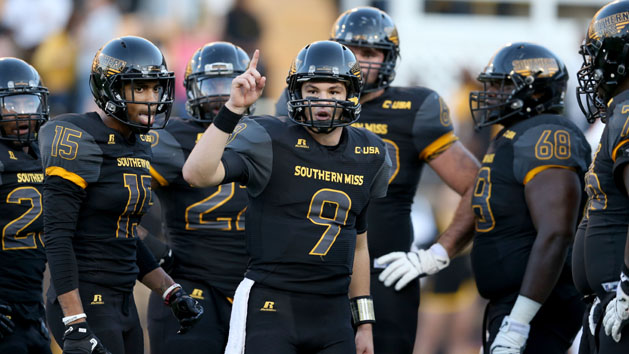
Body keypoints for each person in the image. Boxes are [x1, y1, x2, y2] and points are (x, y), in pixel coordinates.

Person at [275, 7, 480, 353]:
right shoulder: (303, 101)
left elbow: (478, 185)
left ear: (389, 58)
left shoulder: (416, 107)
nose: (359, 61)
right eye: (351, 51)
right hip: (308, 272)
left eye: (370, 53)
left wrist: (437, 254)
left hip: (384, 272)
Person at [183, 40, 391, 354]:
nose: (323, 100)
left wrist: (364, 323)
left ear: (351, 93)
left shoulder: (371, 152)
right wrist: (233, 109)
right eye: (313, 91)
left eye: (334, 91)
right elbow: (196, 174)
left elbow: (359, 243)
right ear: (297, 93)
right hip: (271, 304)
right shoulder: (268, 137)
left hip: (332, 313)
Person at [40, 36, 203, 354]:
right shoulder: (79, 137)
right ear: (110, 88)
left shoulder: (139, 145)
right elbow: (58, 236)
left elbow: (123, 236)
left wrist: (169, 290)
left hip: (123, 299)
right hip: (85, 298)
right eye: (139, 88)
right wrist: (74, 321)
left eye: (155, 88)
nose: (151, 98)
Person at [145, 41, 251, 354]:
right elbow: (111, 198)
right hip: (190, 283)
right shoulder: (170, 136)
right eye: (212, 85)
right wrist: (152, 249)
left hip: (252, 291)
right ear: (191, 90)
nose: (222, 96)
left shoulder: (264, 135)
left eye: (230, 85)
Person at [576, 1, 629, 351]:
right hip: (607, 302)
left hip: (621, 301)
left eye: (597, 55)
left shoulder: (627, 109)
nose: (591, 68)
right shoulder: (619, 110)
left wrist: (627, 284)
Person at [0, 57, 51, 354]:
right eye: (11, 106)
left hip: (33, 307)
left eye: (27, 103)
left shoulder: (42, 156)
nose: (22, 115)